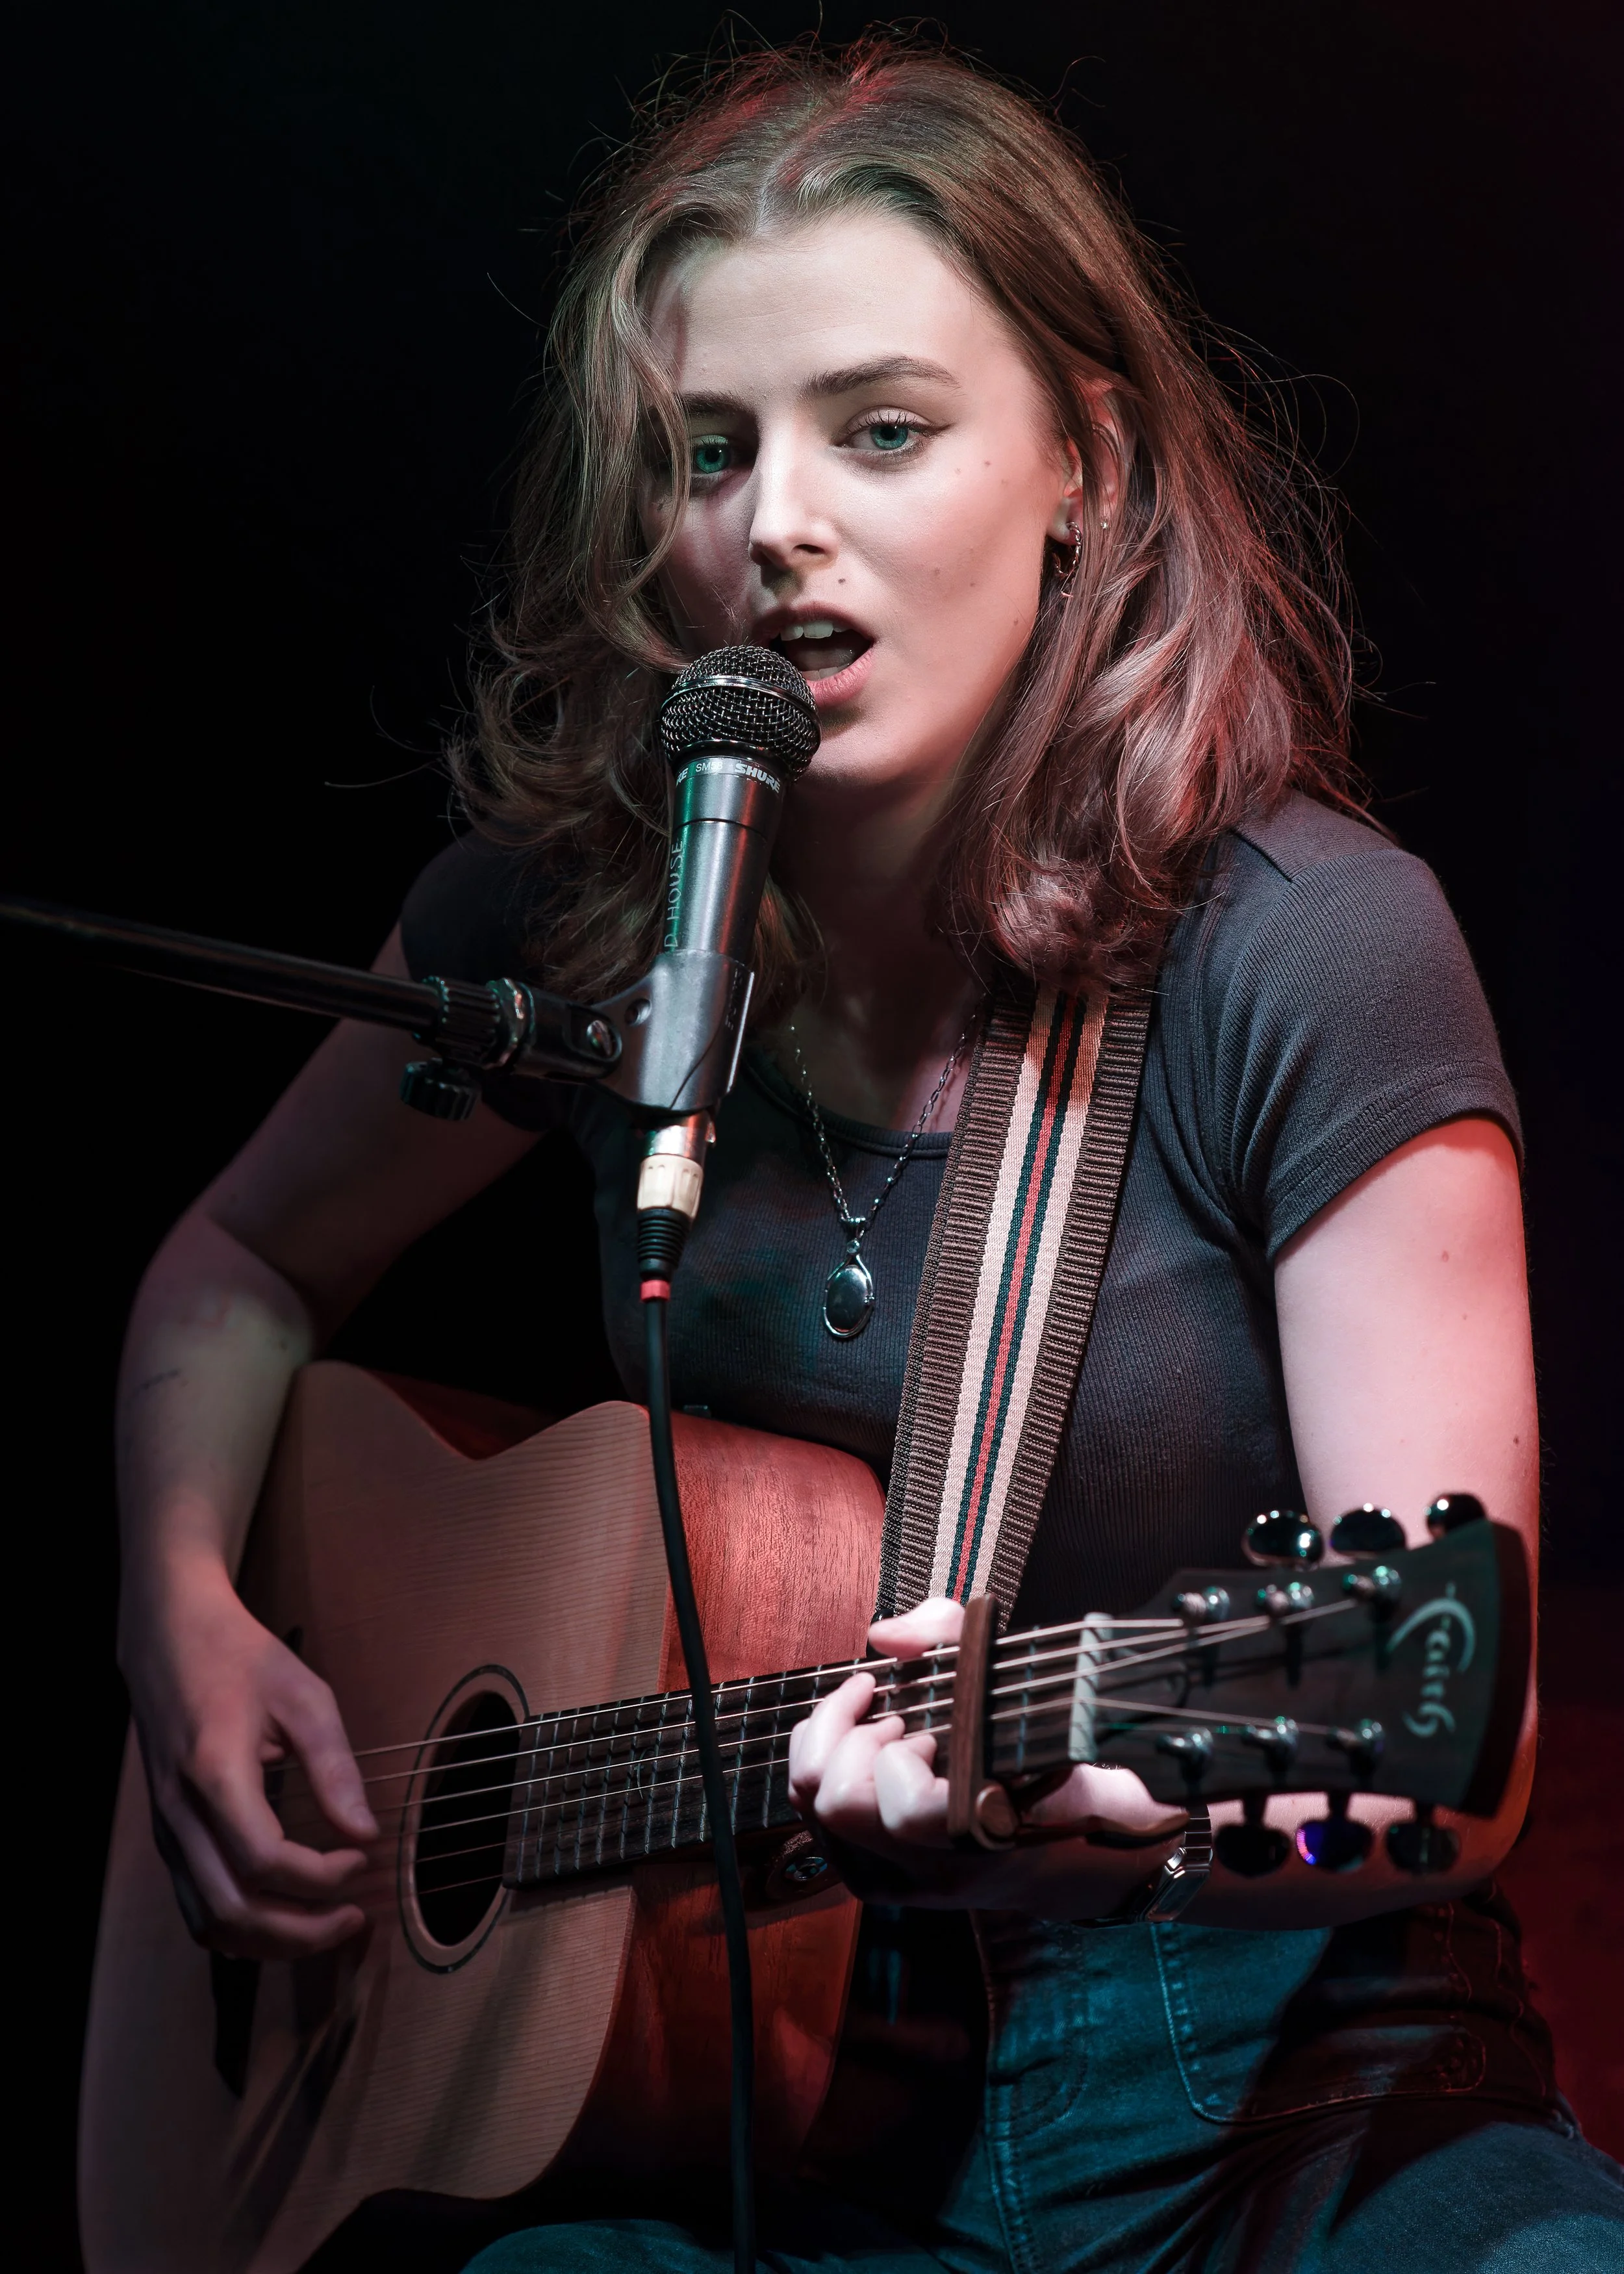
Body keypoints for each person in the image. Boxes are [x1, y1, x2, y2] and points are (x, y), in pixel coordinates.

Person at [113, 38, 1622, 2274]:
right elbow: (236, 1265)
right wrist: (187, 1630)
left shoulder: (1306, 953)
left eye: (880, 431)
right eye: (708, 450)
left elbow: (1436, 1761)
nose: (775, 524)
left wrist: (1059, 1814)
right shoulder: (578, 933)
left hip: (1283, 2086)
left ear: (1082, 464)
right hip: (744, 2099)